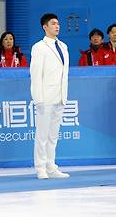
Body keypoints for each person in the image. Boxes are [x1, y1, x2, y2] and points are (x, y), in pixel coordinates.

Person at [30, 13, 70, 180]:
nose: (57, 26)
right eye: (53, 23)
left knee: (53, 135)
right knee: (42, 134)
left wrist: (63, 95)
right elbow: (36, 75)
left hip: (60, 96)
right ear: (45, 27)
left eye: (58, 23)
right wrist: (38, 98)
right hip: (45, 97)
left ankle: (51, 166)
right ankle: (40, 167)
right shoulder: (39, 47)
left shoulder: (63, 46)